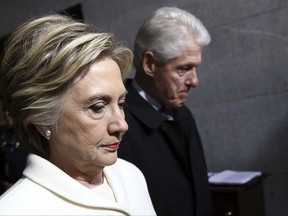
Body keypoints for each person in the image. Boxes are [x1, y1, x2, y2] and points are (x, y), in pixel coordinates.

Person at [0, 14, 156, 215]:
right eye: (98, 107)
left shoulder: (130, 175)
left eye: (121, 103)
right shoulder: (15, 209)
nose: (122, 125)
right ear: (42, 119)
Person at [118, 6, 212, 216]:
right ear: (150, 64)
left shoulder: (183, 114)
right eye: (183, 68)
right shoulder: (117, 121)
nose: (194, 81)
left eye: (195, 67)